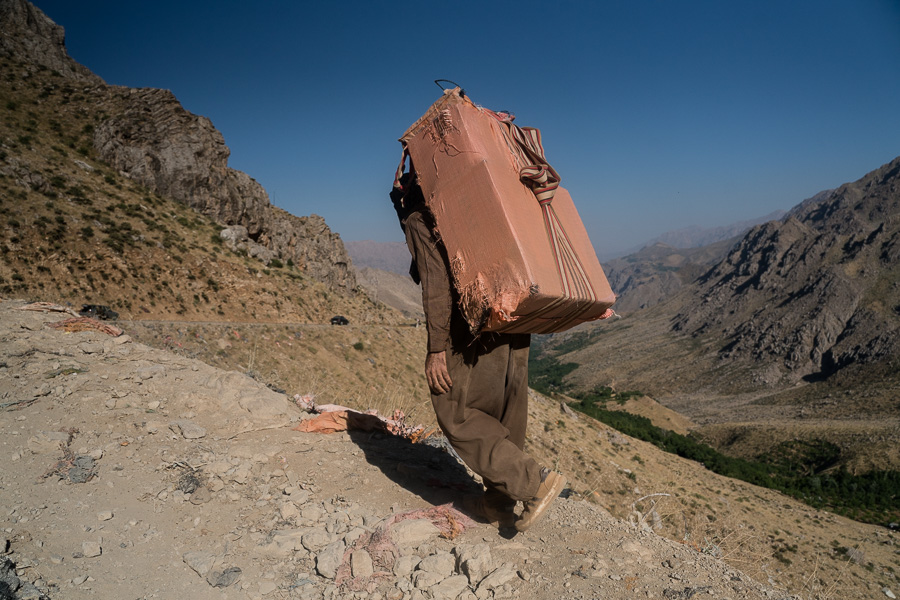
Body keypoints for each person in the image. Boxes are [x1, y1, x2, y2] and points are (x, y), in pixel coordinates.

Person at [391, 173, 566, 532]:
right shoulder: (486, 198)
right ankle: (498, 502)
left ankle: (534, 483)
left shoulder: (422, 213)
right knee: (506, 408)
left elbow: (436, 283)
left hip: (469, 325)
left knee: (455, 412)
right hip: (515, 310)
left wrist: (436, 348)